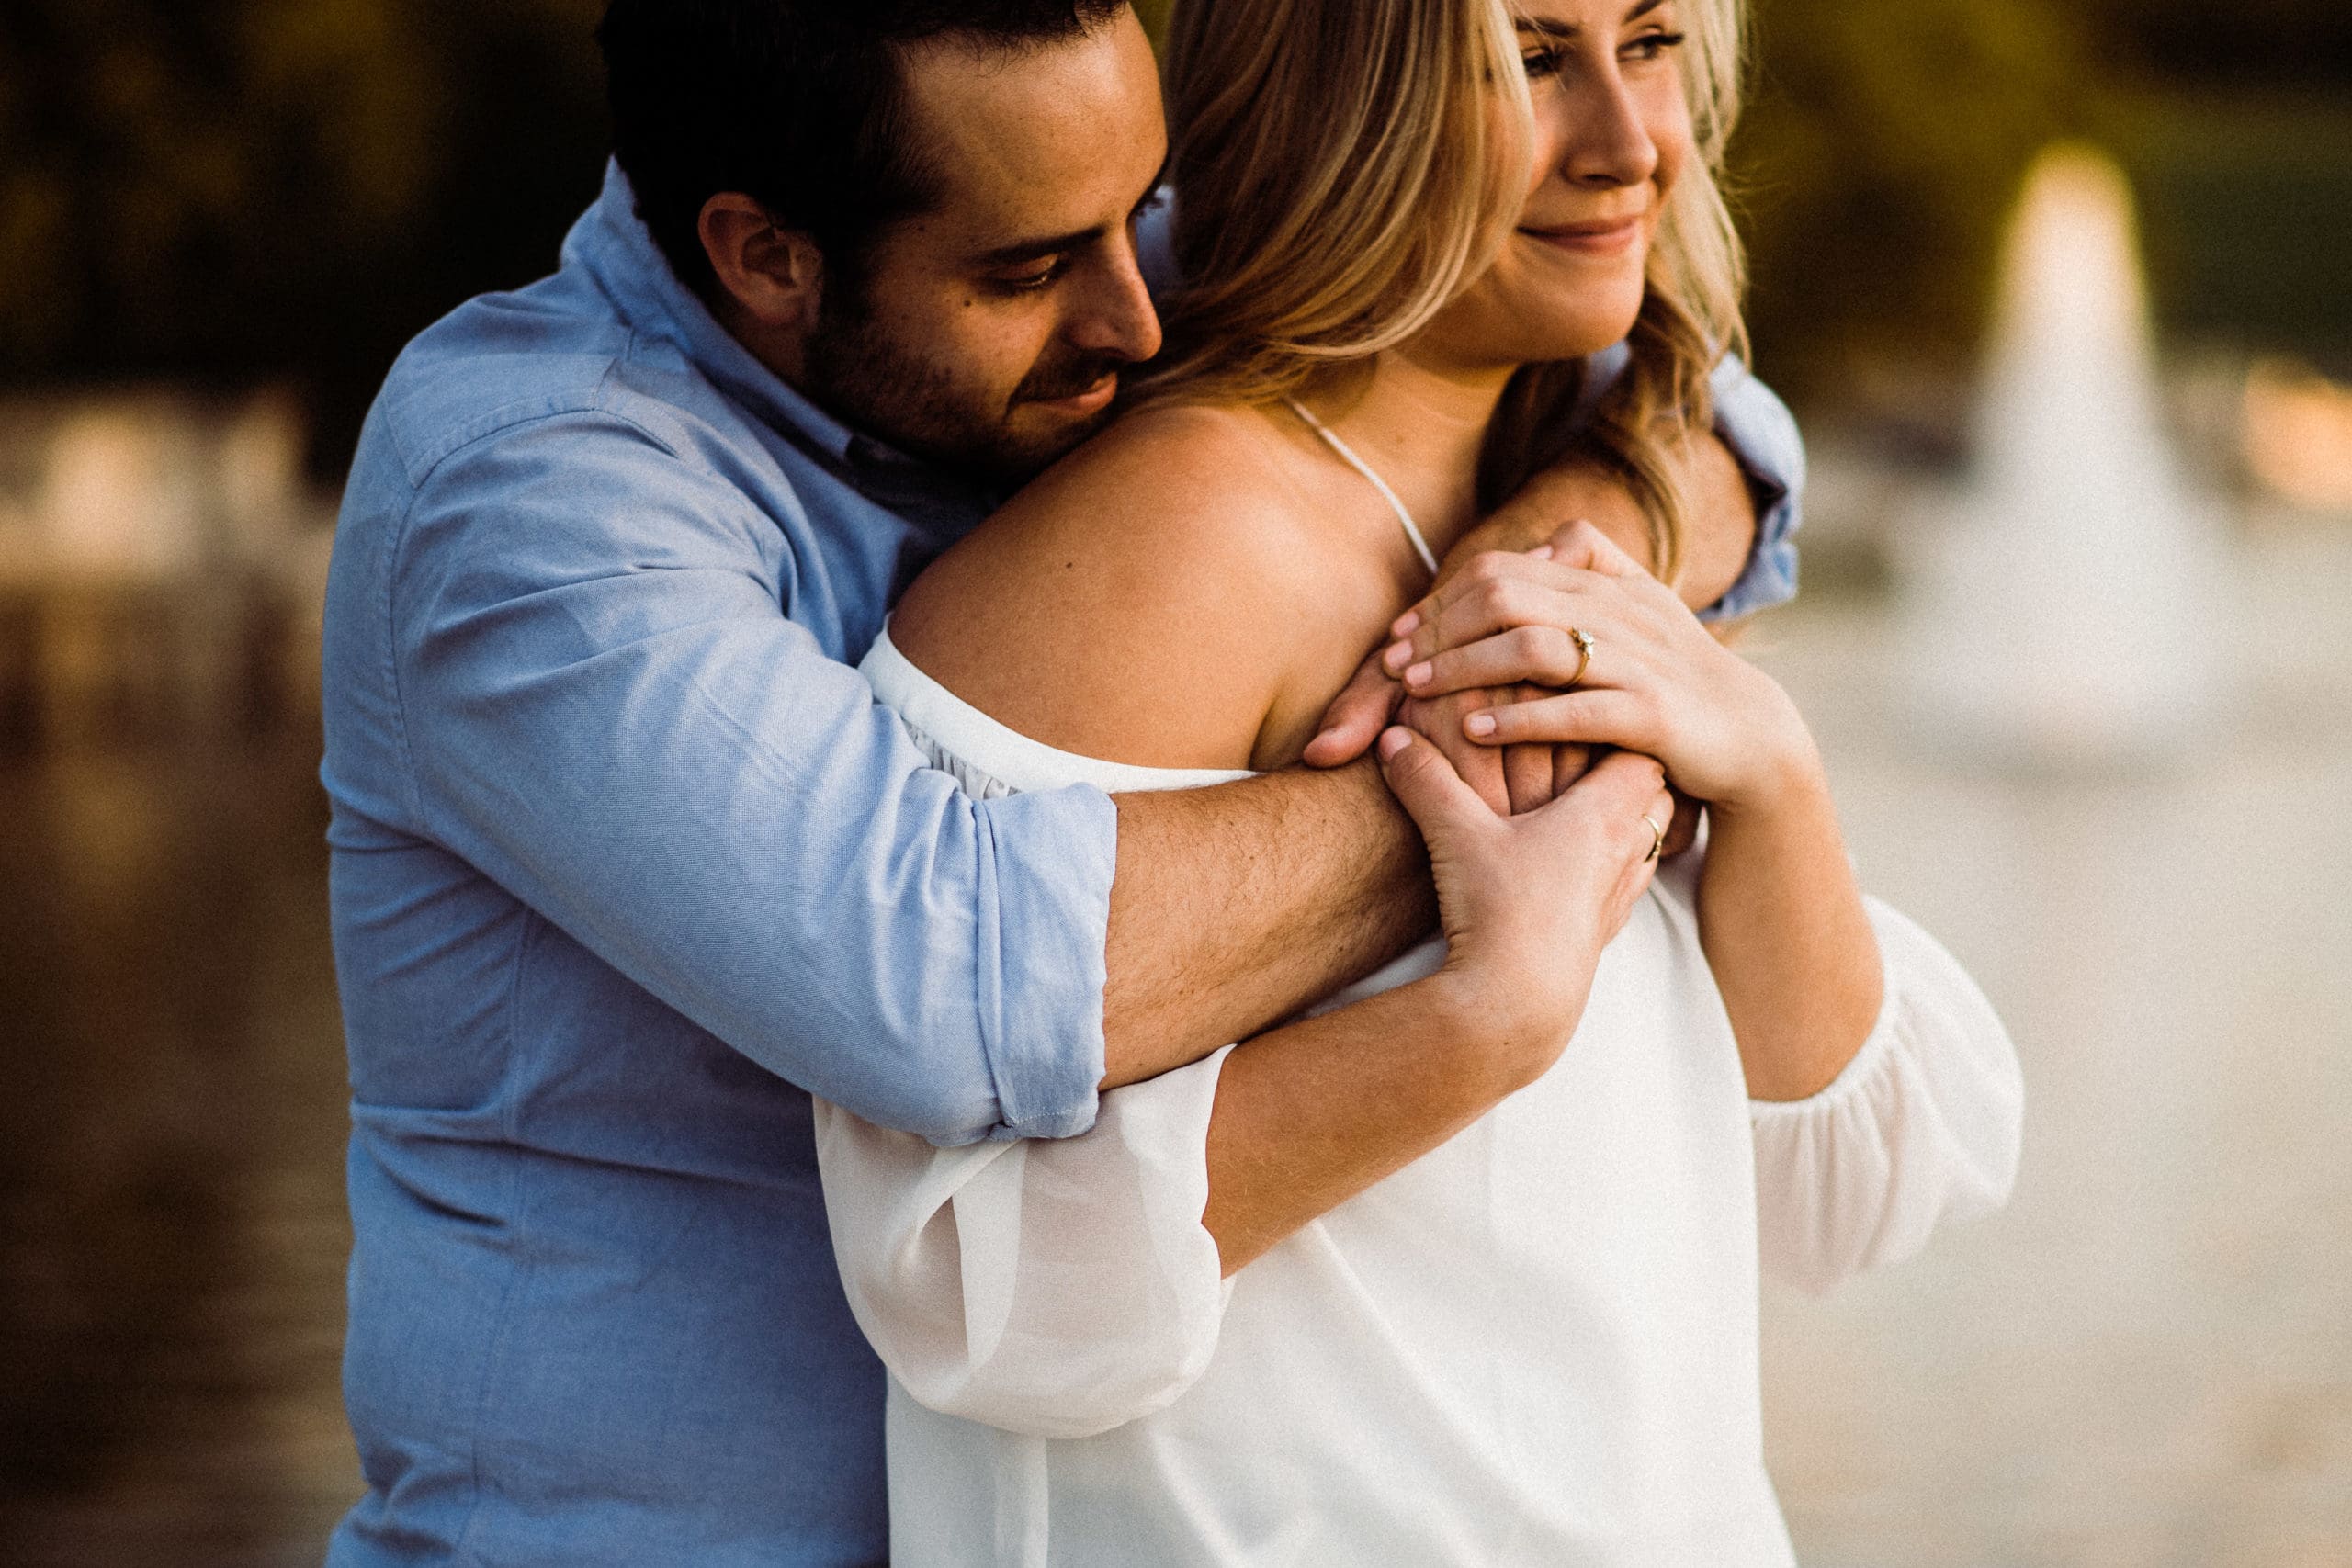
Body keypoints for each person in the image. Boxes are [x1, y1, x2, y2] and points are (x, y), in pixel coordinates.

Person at [317, 1, 1806, 1563]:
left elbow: (1705, 406)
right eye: (1028, 273)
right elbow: (949, 987)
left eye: (1141, 213)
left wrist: (1550, 557)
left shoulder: (1057, 226)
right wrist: (1485, 740)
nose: (1144, 318)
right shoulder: (525, 501)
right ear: (766, 257)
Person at [809, 0, 2023, 1562]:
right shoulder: (1169, 549)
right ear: (1337, 103)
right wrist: (1481, 1026)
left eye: (1651, 46)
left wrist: (1768, 767)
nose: (1629, 144)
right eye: (1529, 60)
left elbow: (1859, 1195)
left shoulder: (1563, 480)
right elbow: (971, 1292)